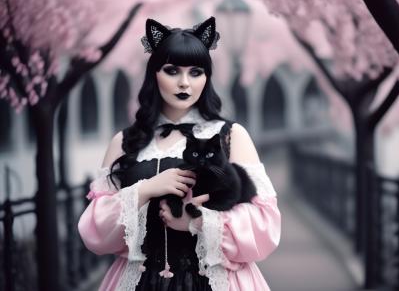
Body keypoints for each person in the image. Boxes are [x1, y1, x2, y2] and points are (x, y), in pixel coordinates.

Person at [77, 16, 281, 291]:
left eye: (196, 72)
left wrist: (196, 223)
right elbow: (96, 234)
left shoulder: (231, 136)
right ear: (154, 74)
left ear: (207, 77)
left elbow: (264, 226)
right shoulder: (125, 142)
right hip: (140, 282)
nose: (184, 83)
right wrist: (145, 189)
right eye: (172, 71)